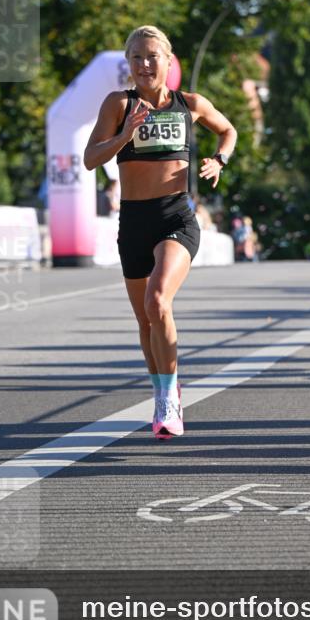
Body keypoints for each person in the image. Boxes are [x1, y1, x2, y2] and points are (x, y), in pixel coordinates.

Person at [84, 25, 237, 439]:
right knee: (145, 321)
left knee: (158, 300)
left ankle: (170, 402)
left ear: (169, 62)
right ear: (128, 64)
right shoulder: (119, 103)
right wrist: (123, 135)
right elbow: (90, 159)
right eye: (136, 57)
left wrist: (219, 160)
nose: (144, 64)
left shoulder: (191, 104)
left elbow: (229, 130)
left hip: (176, 218)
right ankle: (161, 393)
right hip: (133, 221)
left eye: (152, 56)